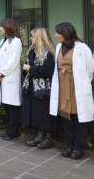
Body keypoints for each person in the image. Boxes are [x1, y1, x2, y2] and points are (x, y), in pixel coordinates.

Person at [50, 22, 94, 160]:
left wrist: (81, 82)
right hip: (62, 86)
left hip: (77, 87)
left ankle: (79, 148)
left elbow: (90, 70)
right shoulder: (58, 47)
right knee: (66, 117)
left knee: (78, 118)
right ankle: (68, 145)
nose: (56, 35)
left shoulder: (82, 47)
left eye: (58, 33)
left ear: (66, 34)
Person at [21, 28, 57, 149]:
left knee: (43, 113)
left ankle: (48, 138)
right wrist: (27, 70)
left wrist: (30, 69)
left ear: (40, 38)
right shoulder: (32, 50)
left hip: (44, 88)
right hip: (32, 86)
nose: (31, 39)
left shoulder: (49, 52)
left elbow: (48, 71)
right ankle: (39, 135)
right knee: (35, 112)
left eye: (32, 37)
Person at [0, 18, 22, 140]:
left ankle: (13, 131)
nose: (0, 28)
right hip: (2, 78)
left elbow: (13, 62)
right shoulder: (3, 41)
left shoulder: (16, 42)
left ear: (8, 27)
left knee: (12, 106)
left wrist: (2, 74)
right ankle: (9, 130)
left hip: (10, 78)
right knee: (6, 105)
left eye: (1, 26)